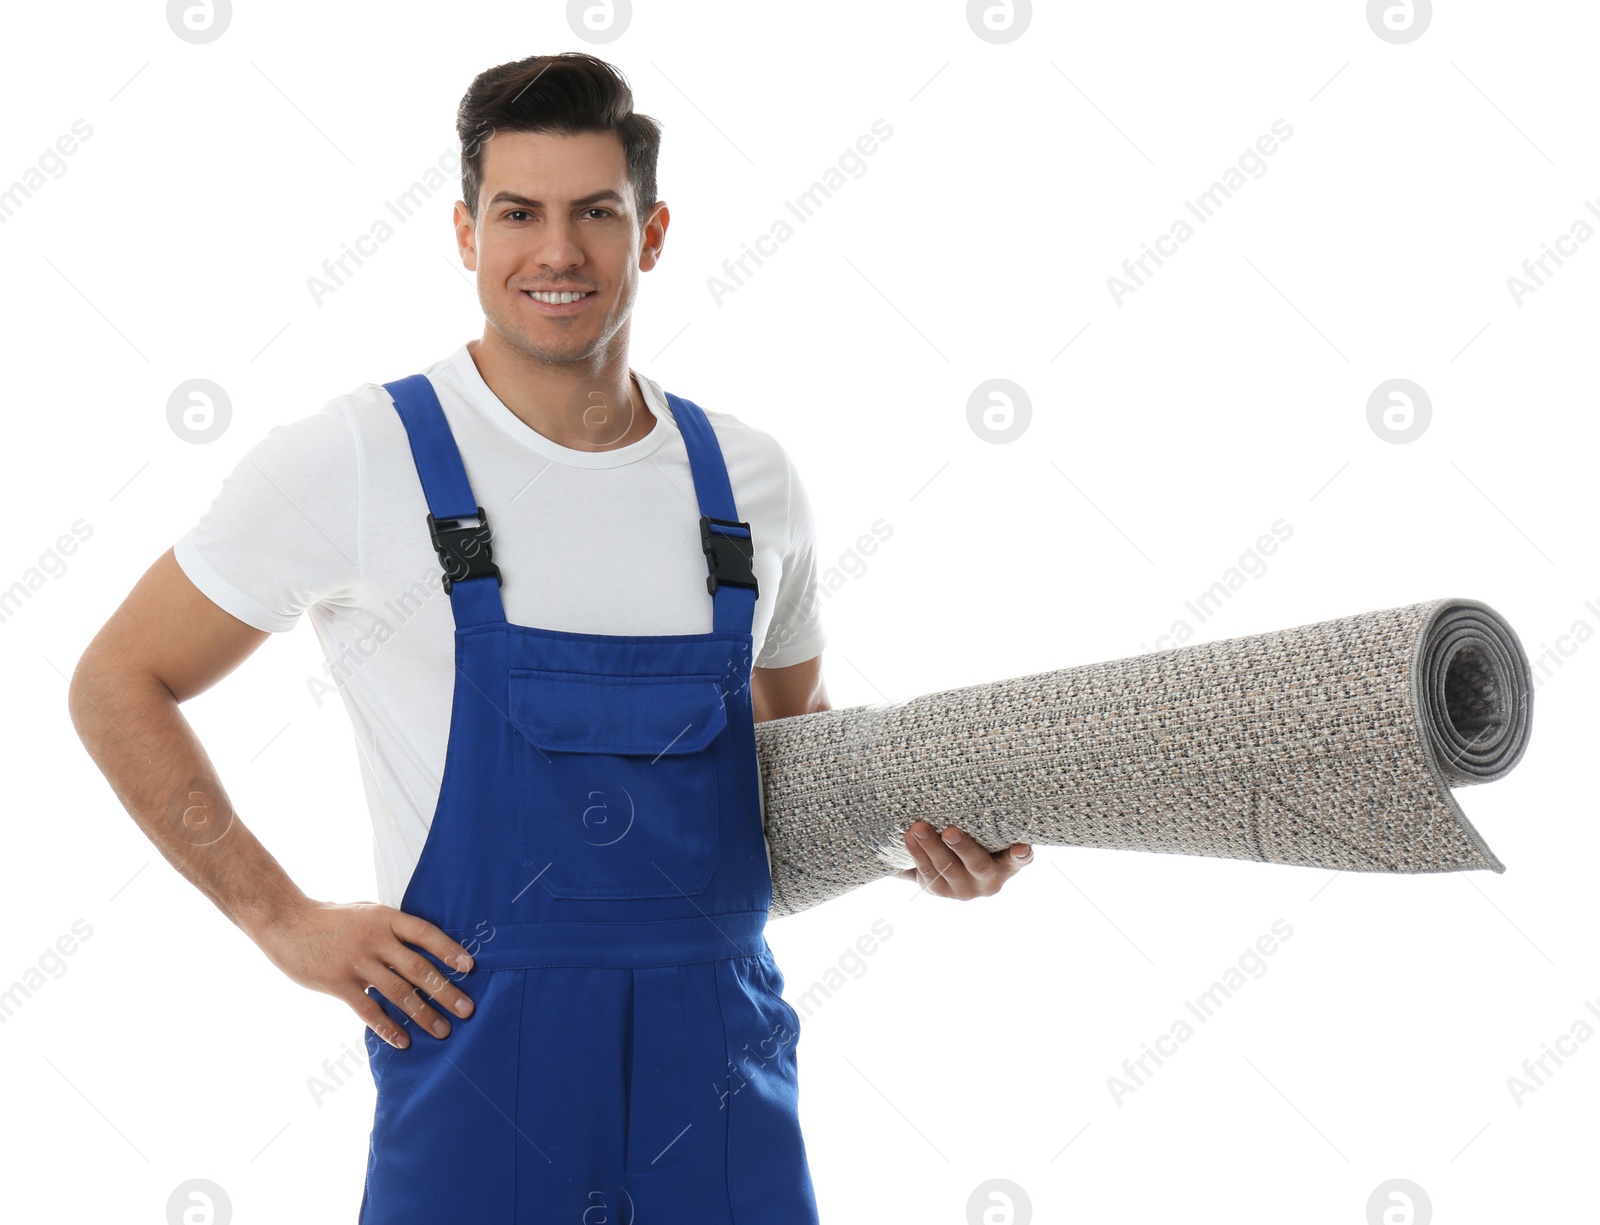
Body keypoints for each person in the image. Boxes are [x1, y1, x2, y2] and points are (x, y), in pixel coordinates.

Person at [66, 51, 1034, 1223]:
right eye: (519, 213)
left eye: (596, 213)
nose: (557, 253)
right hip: (477, 1076)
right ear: (466, 233)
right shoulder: (363, 460)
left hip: (721, 1082)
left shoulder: (749, 485)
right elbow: (119, 679)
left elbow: (798, 759)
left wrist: (914, 847)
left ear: (654, 231)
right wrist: (280, 919)